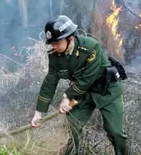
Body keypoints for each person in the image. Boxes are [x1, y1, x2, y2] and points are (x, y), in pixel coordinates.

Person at [31, 15, 128, 155]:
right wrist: (38, 113)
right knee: (71, 129)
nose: (54, 46)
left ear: (70, 38)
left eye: (57, 42)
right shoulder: (54, 56)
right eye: (52, 43)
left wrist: (67, 97)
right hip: (82, 94)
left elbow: (87, 79)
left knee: (115, 132)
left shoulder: (89, 46)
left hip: (107, 90)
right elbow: (49, 82)